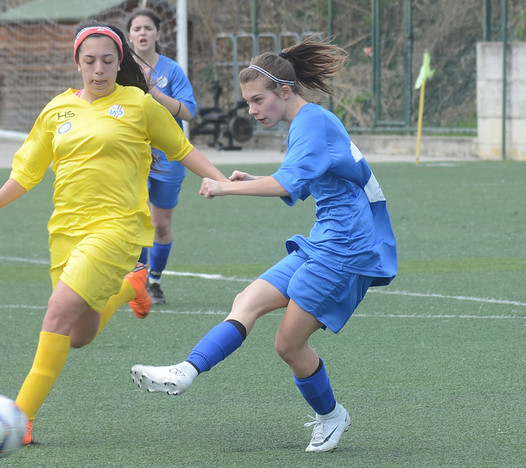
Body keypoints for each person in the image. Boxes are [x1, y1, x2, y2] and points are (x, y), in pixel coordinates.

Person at [0, 21, 227, 445]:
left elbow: (182, 149)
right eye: (90, 61)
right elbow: (28, 172)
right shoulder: (57, 110)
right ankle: (132, 287)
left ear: (119, 61)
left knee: (55, 312)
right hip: (66, 232)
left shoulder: (139, 104)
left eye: (108, 61)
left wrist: (223, 181)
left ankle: (20, 418)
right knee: (78, 335)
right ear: (77, 63)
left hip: (117, 229)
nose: (99, 70)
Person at [131, 37, 397, 453]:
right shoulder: (307, 124)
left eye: (258, 100)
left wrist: (224, 187)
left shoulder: (312, 123)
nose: (252, 110)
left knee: (288, 345)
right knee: (248, 299)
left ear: (284, 92)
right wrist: (251, 179)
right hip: (325, 240)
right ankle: (185, 371)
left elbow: (288, 184)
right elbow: (298, 185)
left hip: (347, 249)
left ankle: (331, 416)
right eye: (249, 102)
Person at [126, 8, 197, 305]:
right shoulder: (121, 70)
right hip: (134, 155)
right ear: (129, 36)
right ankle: (138, 283)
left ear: (157, 33)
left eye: (147, 28)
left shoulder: (172, 71)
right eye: (136, 29)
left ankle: (154, 280)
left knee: (161, 224)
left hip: (168, 157)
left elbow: (189, 112)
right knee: (136, 220)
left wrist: (155, 92)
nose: (142, 33)